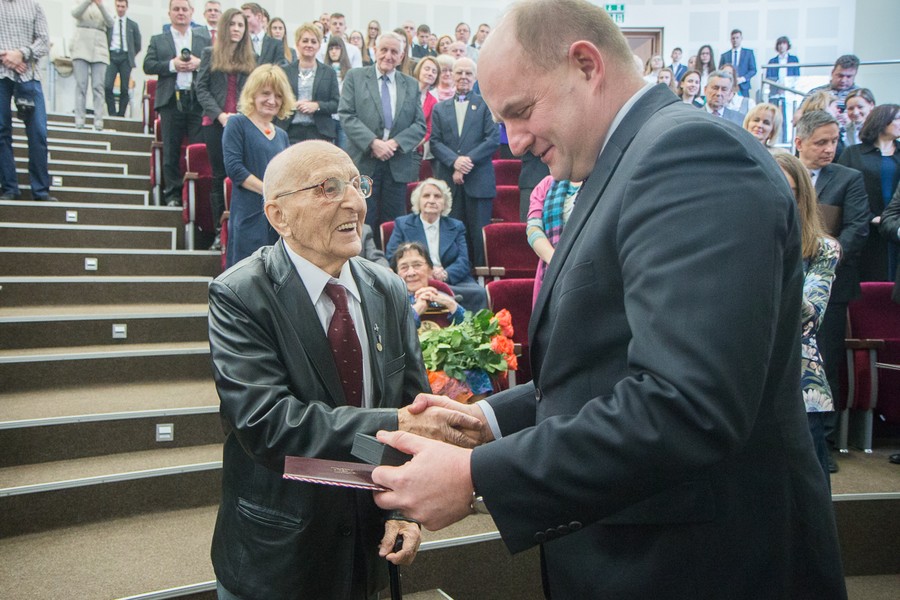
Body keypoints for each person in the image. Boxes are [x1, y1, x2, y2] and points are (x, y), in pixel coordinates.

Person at [370, 2, 847, 598]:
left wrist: (474, 477)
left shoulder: (690, 157)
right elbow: (607, 362)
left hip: (700, 564)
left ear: (585, 64)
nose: (514, 142)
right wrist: (488, 420)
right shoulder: (625, 158)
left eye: (520, 112)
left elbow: (685, 404)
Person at [209, 139, 484, 599]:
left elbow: (409, 402)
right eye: (327, 188)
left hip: (367, 546)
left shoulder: (389, 289)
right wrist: (395, 424)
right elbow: (268, 425)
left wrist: (404, 511)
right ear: (279, 216)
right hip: (279, 555)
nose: (354, 201)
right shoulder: (240, 296)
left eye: (358, 184)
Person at [795, 110, 870, 473]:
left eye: (834, 141)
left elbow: (859, 227)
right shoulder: (783, 173)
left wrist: (823, 258)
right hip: (788, 278)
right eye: (821, 142)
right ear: (800, 142)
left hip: (831, 284)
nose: (830, 148)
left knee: (825, 357)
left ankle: (822, 438)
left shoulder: (848, 178)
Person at [775, 152, 841, 488]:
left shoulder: (823, 249)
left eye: (786, 188)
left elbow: (811, 317)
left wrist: (775, 263)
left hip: (802, 384)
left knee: (810, 497)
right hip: (747, 384)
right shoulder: (737, 244)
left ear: (802, 196)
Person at [338, 31, 426, 245]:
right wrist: (373, 143)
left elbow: (419, 125)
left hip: (396, 165)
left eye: (394, 51)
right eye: (384, 50)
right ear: (375, 50)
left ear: (402, 55)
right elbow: (346, 115)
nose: (388, 55)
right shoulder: (355, 77)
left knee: (392, 225)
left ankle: (388, 273)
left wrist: (394, 144)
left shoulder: (411, 85)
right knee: (362, 219)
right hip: (364, 163)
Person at [429, 57, 499, 267]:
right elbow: (435, 142)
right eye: (459, 72)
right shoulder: (440, 109)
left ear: (475, 77)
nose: (463, 77)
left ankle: (479, 279)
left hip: (478, 180)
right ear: (451, 75)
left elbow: (493, 139)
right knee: (451, 234)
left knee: (479, 235)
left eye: (468, 73)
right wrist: (455, 162)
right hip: (449, 182)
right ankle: (453, 276)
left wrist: (467, 161)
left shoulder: (486, 106)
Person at [196, 7, 255, 251]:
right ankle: (220, 232)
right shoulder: (209, 53)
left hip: (241, 124)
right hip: (215, 123)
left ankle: (239, 231)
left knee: (240, 177)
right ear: (224, 27)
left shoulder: (251, 59)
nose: (236, 29)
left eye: (240, 25)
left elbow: (253, 93)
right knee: (219, 177)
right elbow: (201, 89)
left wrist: (240, 115)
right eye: (232, 24)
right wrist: (220, 115)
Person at [222, 64, 292, 268]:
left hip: (276, 218)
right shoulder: (237, 124)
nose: (272, 101)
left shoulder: (282, 135)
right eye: (266, 94)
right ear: (253, 94)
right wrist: (269, 192)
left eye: (278, 96)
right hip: (248, 213)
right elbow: (235, 169)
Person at [143, 0, 211, 207]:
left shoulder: (203, 38)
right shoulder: (158, 39)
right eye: (176, 9)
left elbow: (215, 64)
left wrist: (200, 63)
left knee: (198, 149)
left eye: (184, 9)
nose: (181, 13)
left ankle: (196, 198)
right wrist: (172, 65)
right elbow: (148, 65)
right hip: (171, 100)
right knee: (171, 150)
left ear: (192, 13)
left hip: (198, 101)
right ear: (169, 13)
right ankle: (172, 195)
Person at [386, 178, 488, 312]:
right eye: (426, 196)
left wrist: (445, 274)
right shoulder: (402, 224)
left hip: (451, 280)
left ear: (444, 202)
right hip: (414, 278)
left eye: (437, 196)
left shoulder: (456, 226)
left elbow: (463, 260)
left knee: (479, 293)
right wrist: (426, 271)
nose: (432, 200)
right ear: (418, 201)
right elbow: (392, 255)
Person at [838, 104, 900, 282]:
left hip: (896, 229)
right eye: (898, 118)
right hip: (865, 229)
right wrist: (870, 216)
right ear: (882, 121)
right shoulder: (853, 154)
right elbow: (842, 191)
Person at [0, 0, 54, 202]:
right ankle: (9, 187)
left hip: (29, 75)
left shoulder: (34, 5)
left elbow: (43, 41)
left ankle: (41, 190)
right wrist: (7, 57)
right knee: (1, 130)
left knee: (38, 132)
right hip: (0, 74)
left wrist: (21, 53)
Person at [278, 23, 340, 145]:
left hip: (319, 132)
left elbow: (336, 104)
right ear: (297, 44)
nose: (309, 45)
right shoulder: (284, 72)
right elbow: (277, 100)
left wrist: (316, 106)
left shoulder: (329, 72)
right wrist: (293, 105)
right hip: (290, 131)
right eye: (305, 41)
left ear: (319, 45)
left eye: (313, 41)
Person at [527, 175, 580, 303]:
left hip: (583, 273)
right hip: (551, 274)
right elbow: (533, 229)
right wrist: (558, 262)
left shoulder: (599, 181)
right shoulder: (546, 184)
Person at [391, 241, 465, 328]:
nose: (411, 273)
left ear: (430, 270)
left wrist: (450, 304)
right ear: (396, 274)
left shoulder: (442, 291)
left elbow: (468, 327)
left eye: (417, 265)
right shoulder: (392, 300)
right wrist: (417, 309)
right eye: (404, 267)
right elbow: (393, 332)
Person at [71, 0, 114, 131]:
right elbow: (75, 13)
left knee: (98, 86)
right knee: (81, 84)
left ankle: (99, 119)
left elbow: (111, 22)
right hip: (81, 43)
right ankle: (79, 118)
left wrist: (100, 5)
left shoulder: (106, 4)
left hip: (99, 44)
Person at [105, 0, 142, 118]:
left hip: (125, 57)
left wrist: (130, 54)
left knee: (125, 88)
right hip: (111, 56)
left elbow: (138, 44)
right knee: (107, 85)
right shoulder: (110, 23)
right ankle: (112, 113)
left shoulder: (132, 25)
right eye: (118, 6)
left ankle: (121, 114)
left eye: (122, 6)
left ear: (126, 7)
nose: (120, 9)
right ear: (115, 6)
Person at [412, 55, 439, 170]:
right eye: (427, 69)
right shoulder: (405, 91)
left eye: (434, 71)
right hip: (392, 146)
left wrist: (411, 145)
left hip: (414, 151)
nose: (430, 73)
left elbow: (428, 130)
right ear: (419, 70)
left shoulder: (433, 101)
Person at [718, 29, 756, 97]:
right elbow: (720, 70)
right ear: (730, 40)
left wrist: (743, 79)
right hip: (728, 85)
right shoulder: (725, 55)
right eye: (733, 38)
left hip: (743, 86)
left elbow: (753, 70)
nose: (735, 40)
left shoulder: (748, 53)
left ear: (741, 38)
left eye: (737, 38)